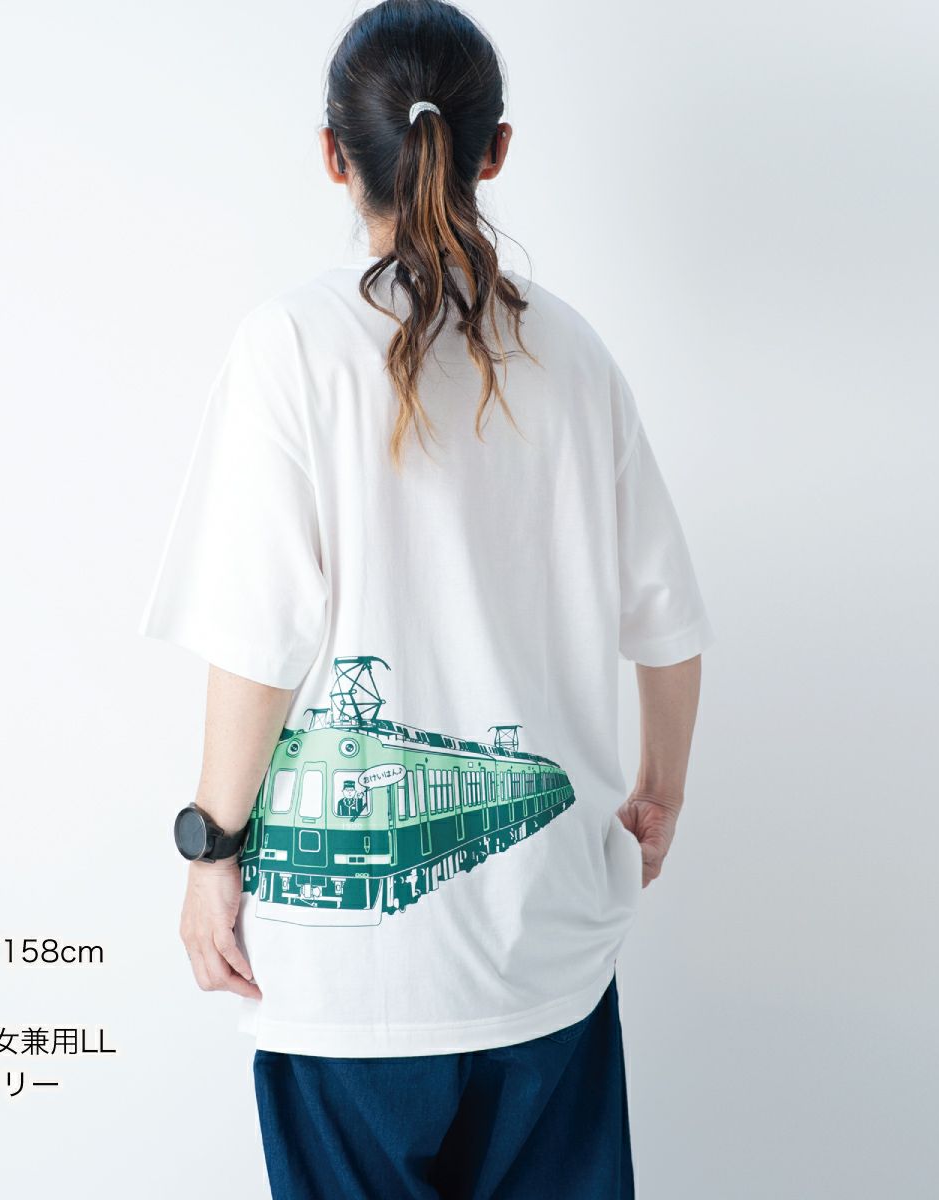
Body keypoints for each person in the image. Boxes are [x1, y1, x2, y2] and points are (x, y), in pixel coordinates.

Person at [140, 2, 714, 1196]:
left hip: (347, 984)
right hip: (550, 954)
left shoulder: (291, 347)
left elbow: (258, 641)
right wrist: (658, 792)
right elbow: (666, 622)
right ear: (494, 150)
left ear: (333, 154)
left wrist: (211, 852)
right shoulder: (573, 354)